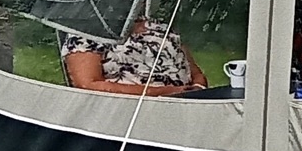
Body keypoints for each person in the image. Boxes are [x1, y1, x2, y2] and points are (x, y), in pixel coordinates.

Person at [63, 18, 205, 97]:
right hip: (127, 112)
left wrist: (198, 89)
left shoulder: (160, 27)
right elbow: (89, 85)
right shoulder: (88, 33)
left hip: (186, 107)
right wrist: (164, 93)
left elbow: (194, 71)